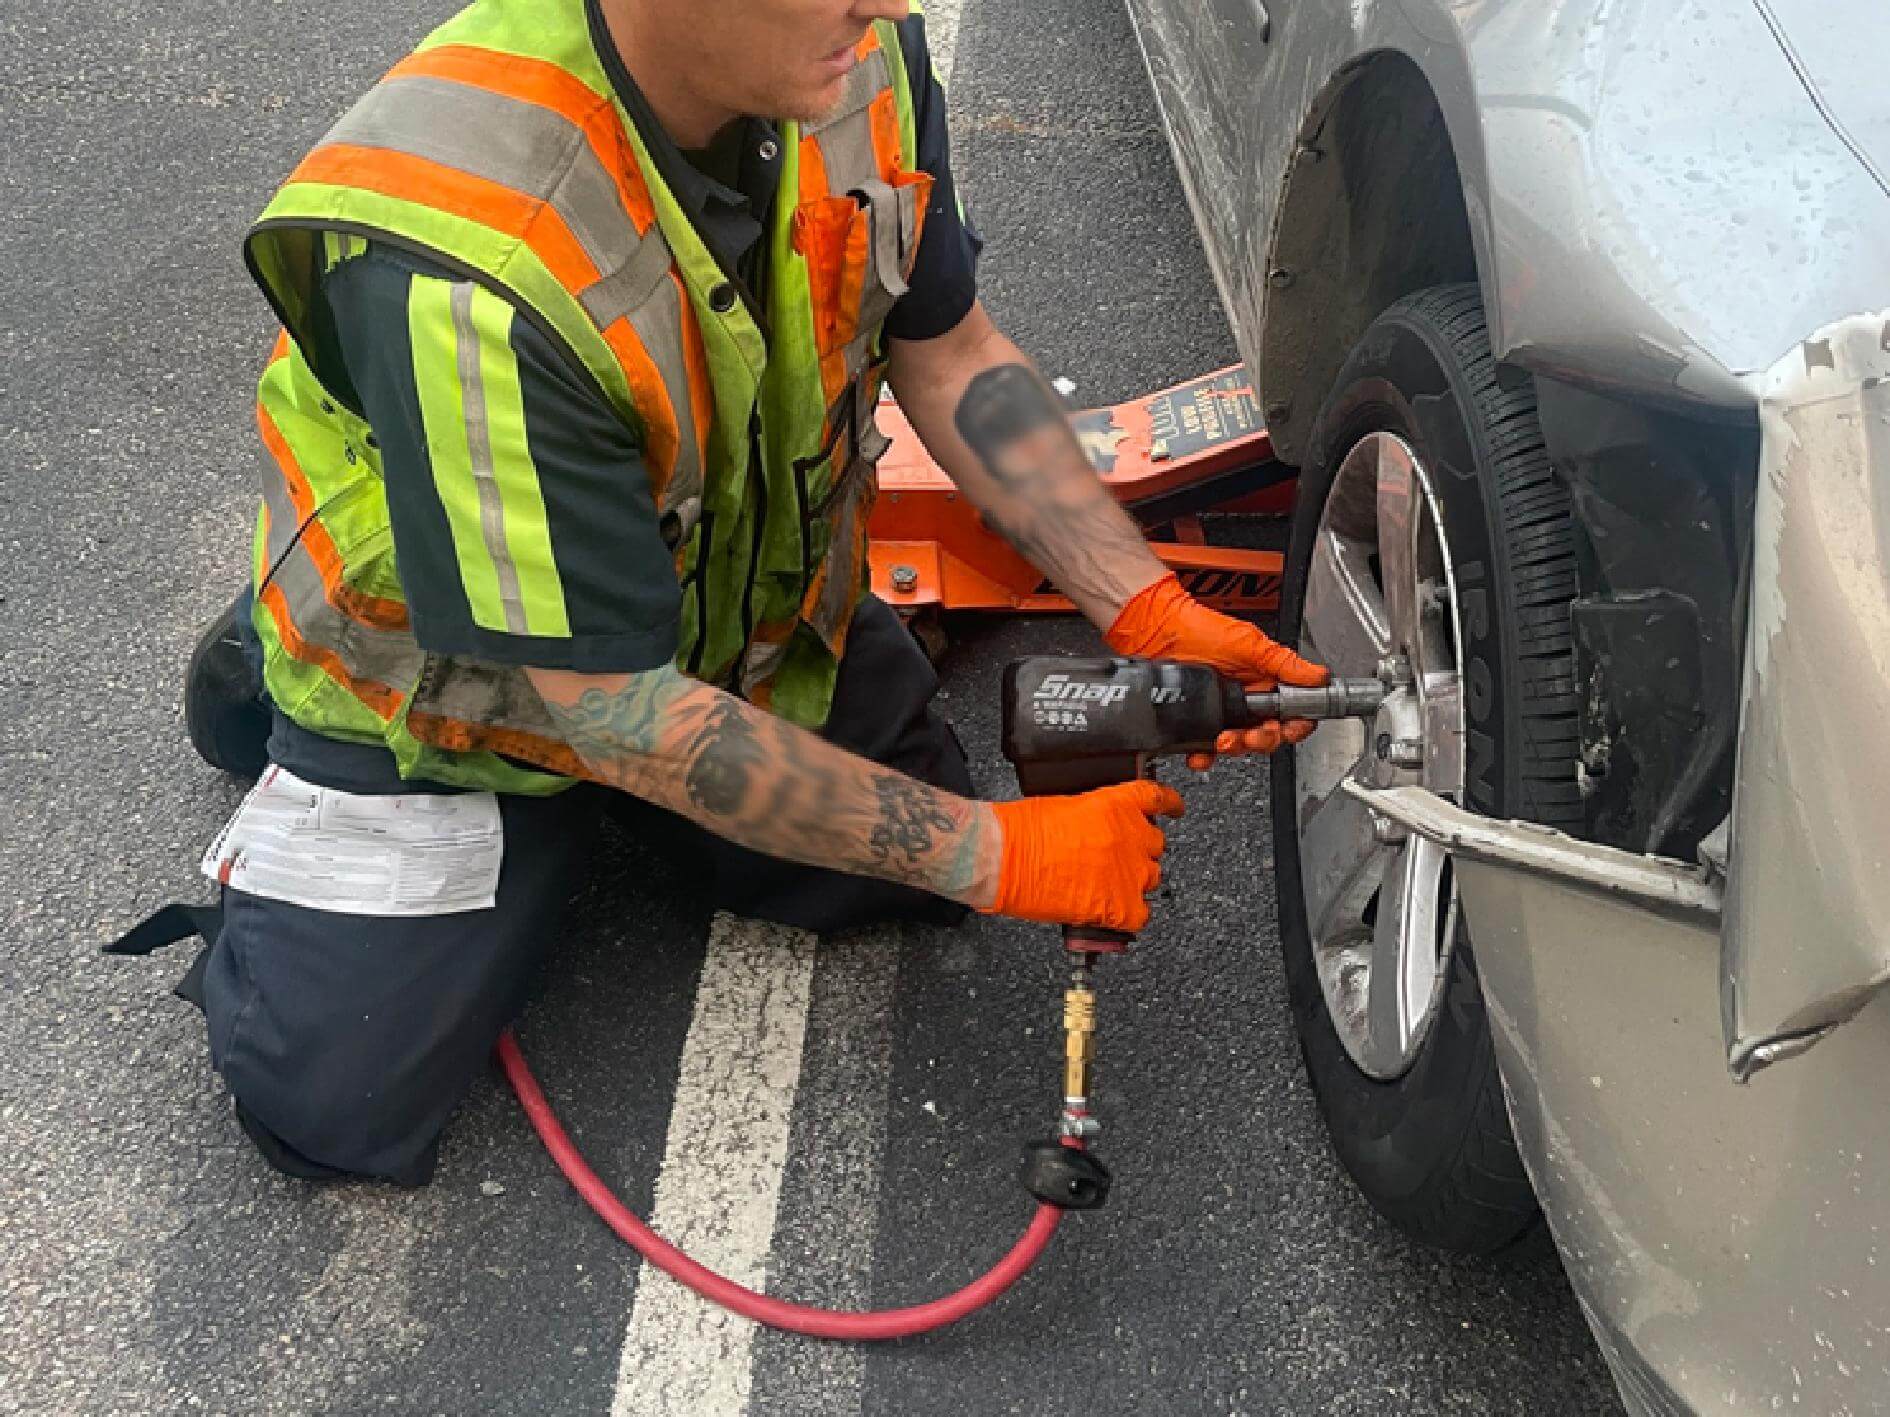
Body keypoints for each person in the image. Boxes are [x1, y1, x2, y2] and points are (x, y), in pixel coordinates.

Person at [114, 0, 1327, 1187]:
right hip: (468, 693)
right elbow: (609, 712)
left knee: (888, 875)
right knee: (337, 1096)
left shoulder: (857, 61)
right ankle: (268, 663)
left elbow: (951, 353)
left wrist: (1139, 598)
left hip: (721, 609)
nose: (892, 3)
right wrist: (992, 852)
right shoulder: (472, 262)